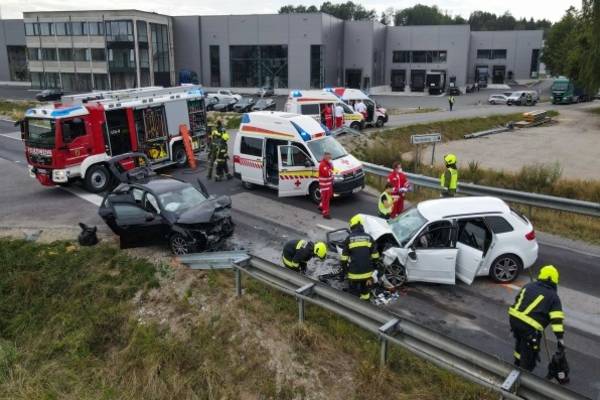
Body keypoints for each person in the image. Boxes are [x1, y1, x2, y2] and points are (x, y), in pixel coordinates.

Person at [508, 265, 566, 373]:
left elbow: (518, 300)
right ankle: (524, 374)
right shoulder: (553, 297)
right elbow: (557, 320)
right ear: (555, 280)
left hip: (514, 320)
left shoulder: (528, 286)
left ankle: (517, 363)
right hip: (529, 328)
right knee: (530, 353)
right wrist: (560, 339)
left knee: (520, 341)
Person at [340, 215, 380, 301]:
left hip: (353, 275)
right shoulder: (369, 238)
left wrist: (345, 271)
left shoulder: (349, 239)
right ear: (361, 225)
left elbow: (344, 259)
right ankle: (365, 305)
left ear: (352, 226)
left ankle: (352, 306)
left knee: (353, 295)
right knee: (365, 294)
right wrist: (373, 269)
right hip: (367, 274)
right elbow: (376, 257)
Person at [318, 152, 334, 219]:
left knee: (328, 196)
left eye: (330, 157)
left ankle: (321, 206)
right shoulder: (323, 165)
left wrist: (331, 166)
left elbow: (332, 170)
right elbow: (327, 174)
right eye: (329, 157)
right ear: (325, 157)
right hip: (324, 185)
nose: (330, 159)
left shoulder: (328, 164)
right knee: (326, 200)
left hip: (328, 184)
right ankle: (325, 213)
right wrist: (331, 171)